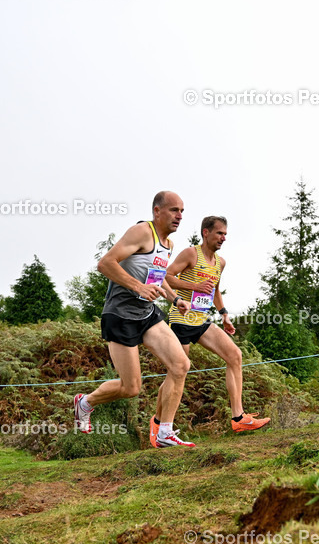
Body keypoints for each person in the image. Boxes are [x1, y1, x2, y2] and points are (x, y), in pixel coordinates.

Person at [73, 191, 196, 448]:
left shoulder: (169, 245)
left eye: (182, 211)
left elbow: (158, 275)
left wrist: (175, 299)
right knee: (131, 388)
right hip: (120, 315)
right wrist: (138, 287)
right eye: (174, 210)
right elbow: (105, 263)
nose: (179, 216)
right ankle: (84, 403)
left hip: (146, 314)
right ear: (157, 211)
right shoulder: (141, 232)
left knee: (181, 365)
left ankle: (165, 432)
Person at [166, 216, 270, 433]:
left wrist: (224, 314)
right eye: (219, 233)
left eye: (225, 234)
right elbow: (166, 277)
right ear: (206, 232)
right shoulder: (190, 253)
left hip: (202, 321)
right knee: (177, 372)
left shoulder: (220, 262)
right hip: (181, 320)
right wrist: (194, 285)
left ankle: (238, 417)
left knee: (235, 355)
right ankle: (161, 425)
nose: (223, 238)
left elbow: (213, 290)